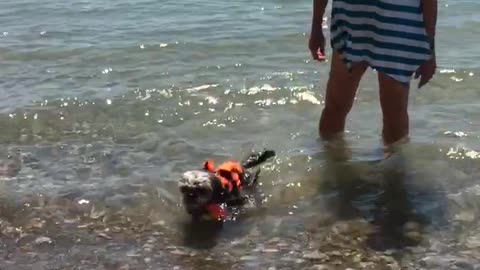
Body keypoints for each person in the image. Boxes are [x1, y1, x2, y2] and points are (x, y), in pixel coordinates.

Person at [309, 0, 437, 150]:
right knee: (336, 105)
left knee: (394, 113)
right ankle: (332, 165)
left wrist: (429, 48)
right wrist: (316, 26)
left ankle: (393, 170)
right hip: (350, 22)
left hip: (397, 23)